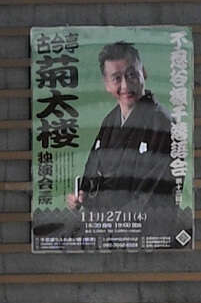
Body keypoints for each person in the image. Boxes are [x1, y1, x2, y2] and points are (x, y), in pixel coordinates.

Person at [67, 39, 182, 238]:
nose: (125, 85)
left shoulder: (163, 123)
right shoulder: (109, 121)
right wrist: (81, 197)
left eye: (131, 75)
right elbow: (92, 174)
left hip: (146, 232)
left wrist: (111, 220)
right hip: (110, 230)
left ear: (143, 73)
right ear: (106, 84)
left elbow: (154, 192)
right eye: (116, 78)